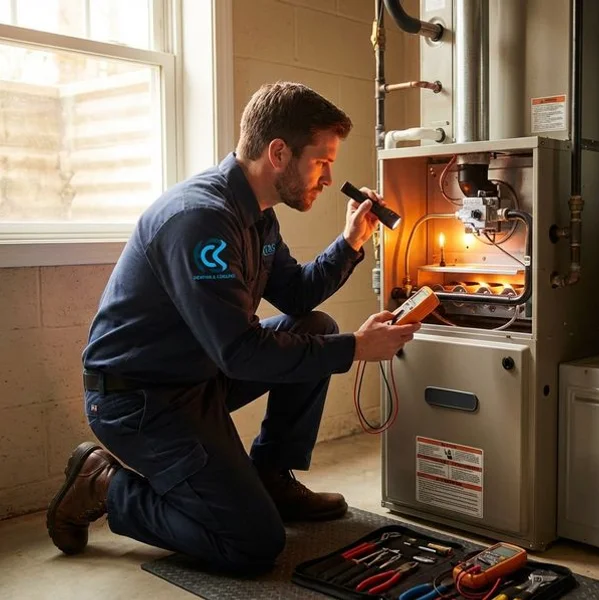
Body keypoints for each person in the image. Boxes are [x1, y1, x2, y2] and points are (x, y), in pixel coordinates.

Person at [45, 81, 420, 574]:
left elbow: (297, 296)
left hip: (196, 376)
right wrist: (354, 348)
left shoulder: (257, 218)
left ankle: (269, 476)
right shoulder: (200, 219)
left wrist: (351, 241)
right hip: (139, 400)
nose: (329, 177)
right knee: (254, 544)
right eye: (322, 161)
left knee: (315, 325)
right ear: (279, 153)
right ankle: (102, 484)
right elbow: (240, 353)